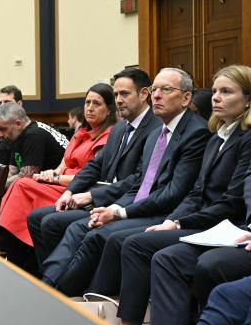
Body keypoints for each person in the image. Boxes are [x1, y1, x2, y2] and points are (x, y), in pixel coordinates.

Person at [85, 65, 251, 325]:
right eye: (216, 91)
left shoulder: (242, 138)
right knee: (142, 247)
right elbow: (196, 193)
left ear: (248, 100)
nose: (216, 97)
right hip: (203, 221)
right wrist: (174, 220)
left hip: (226, 225)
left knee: (141, 246)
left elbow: (232, 201)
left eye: (226, 92)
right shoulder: (217, 137)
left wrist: (177, 222)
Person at [40, 68, 210, 296]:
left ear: (186, 98)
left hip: (167, 213)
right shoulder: (157, 133)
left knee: (97, 235)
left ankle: (63, 295)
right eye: (155, 90)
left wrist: (120, 212)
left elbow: (173, 193)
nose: (156, 95)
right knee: (80, 226)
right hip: (138, 205)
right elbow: (141, 182)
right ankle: (49, 287)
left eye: (165, 90)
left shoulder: (195, 132)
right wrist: (113, 208)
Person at [27, 68, 159, 269]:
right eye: (116, 95)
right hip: (102, 195)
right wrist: (69, 191)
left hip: (121, 201)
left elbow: (139, 179)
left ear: (143, 94)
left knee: (51, 223)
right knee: (36, 217)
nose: (119, 100)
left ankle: (60, 282)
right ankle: (49, 275)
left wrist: (91, 196)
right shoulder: (120, 128)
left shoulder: (156, 128)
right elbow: (94, 166)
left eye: (124, 94)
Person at [0, 83, 117, 271]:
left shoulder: (110, 136)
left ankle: (6, 249)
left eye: (97, 104)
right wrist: (51, 174)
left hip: (80, 190)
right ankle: (11, 250)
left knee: (22, 185)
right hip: (61, 183)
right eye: (87, 103)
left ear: (109, 110)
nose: (90, 108)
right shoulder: (80, 134)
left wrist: (55, 178)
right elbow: (63, 165)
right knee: (22, 184)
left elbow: (94, 177)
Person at [0, 102, 66, 188]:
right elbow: (12, 172)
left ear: (18, 124)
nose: (0, 135)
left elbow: (26, 178)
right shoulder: (17, 136)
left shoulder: (34, 135)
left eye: (2, 129)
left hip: (63, 185)